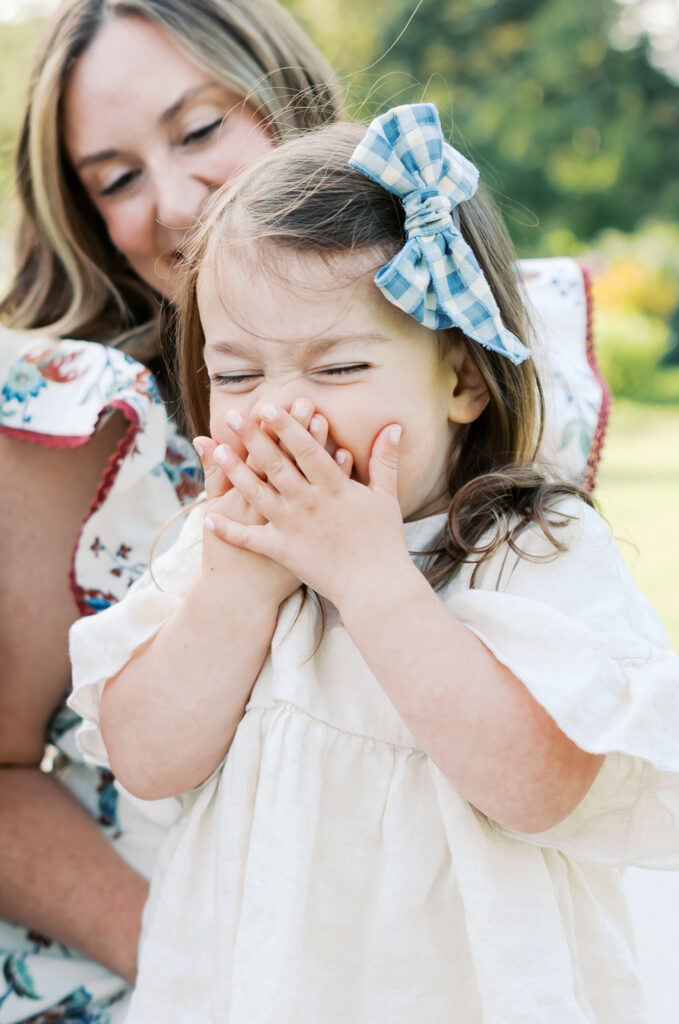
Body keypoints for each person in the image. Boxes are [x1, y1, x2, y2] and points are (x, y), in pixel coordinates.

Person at [69, 104, 679, 1023]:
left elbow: (540, 787)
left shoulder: (528, 546)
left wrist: (371, 580)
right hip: (249, 989)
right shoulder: (223, 548)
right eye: (238, 374)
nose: (279, 412)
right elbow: (146, 758)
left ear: (461, 377)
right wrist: (235, 591)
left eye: (335, 369)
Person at [0, 1, 342, 1020]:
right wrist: (218, 981)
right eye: (115, 177)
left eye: (199, 129)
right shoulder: (84, 426)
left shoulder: (452, 368)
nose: (177, 197)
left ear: (292, 104)